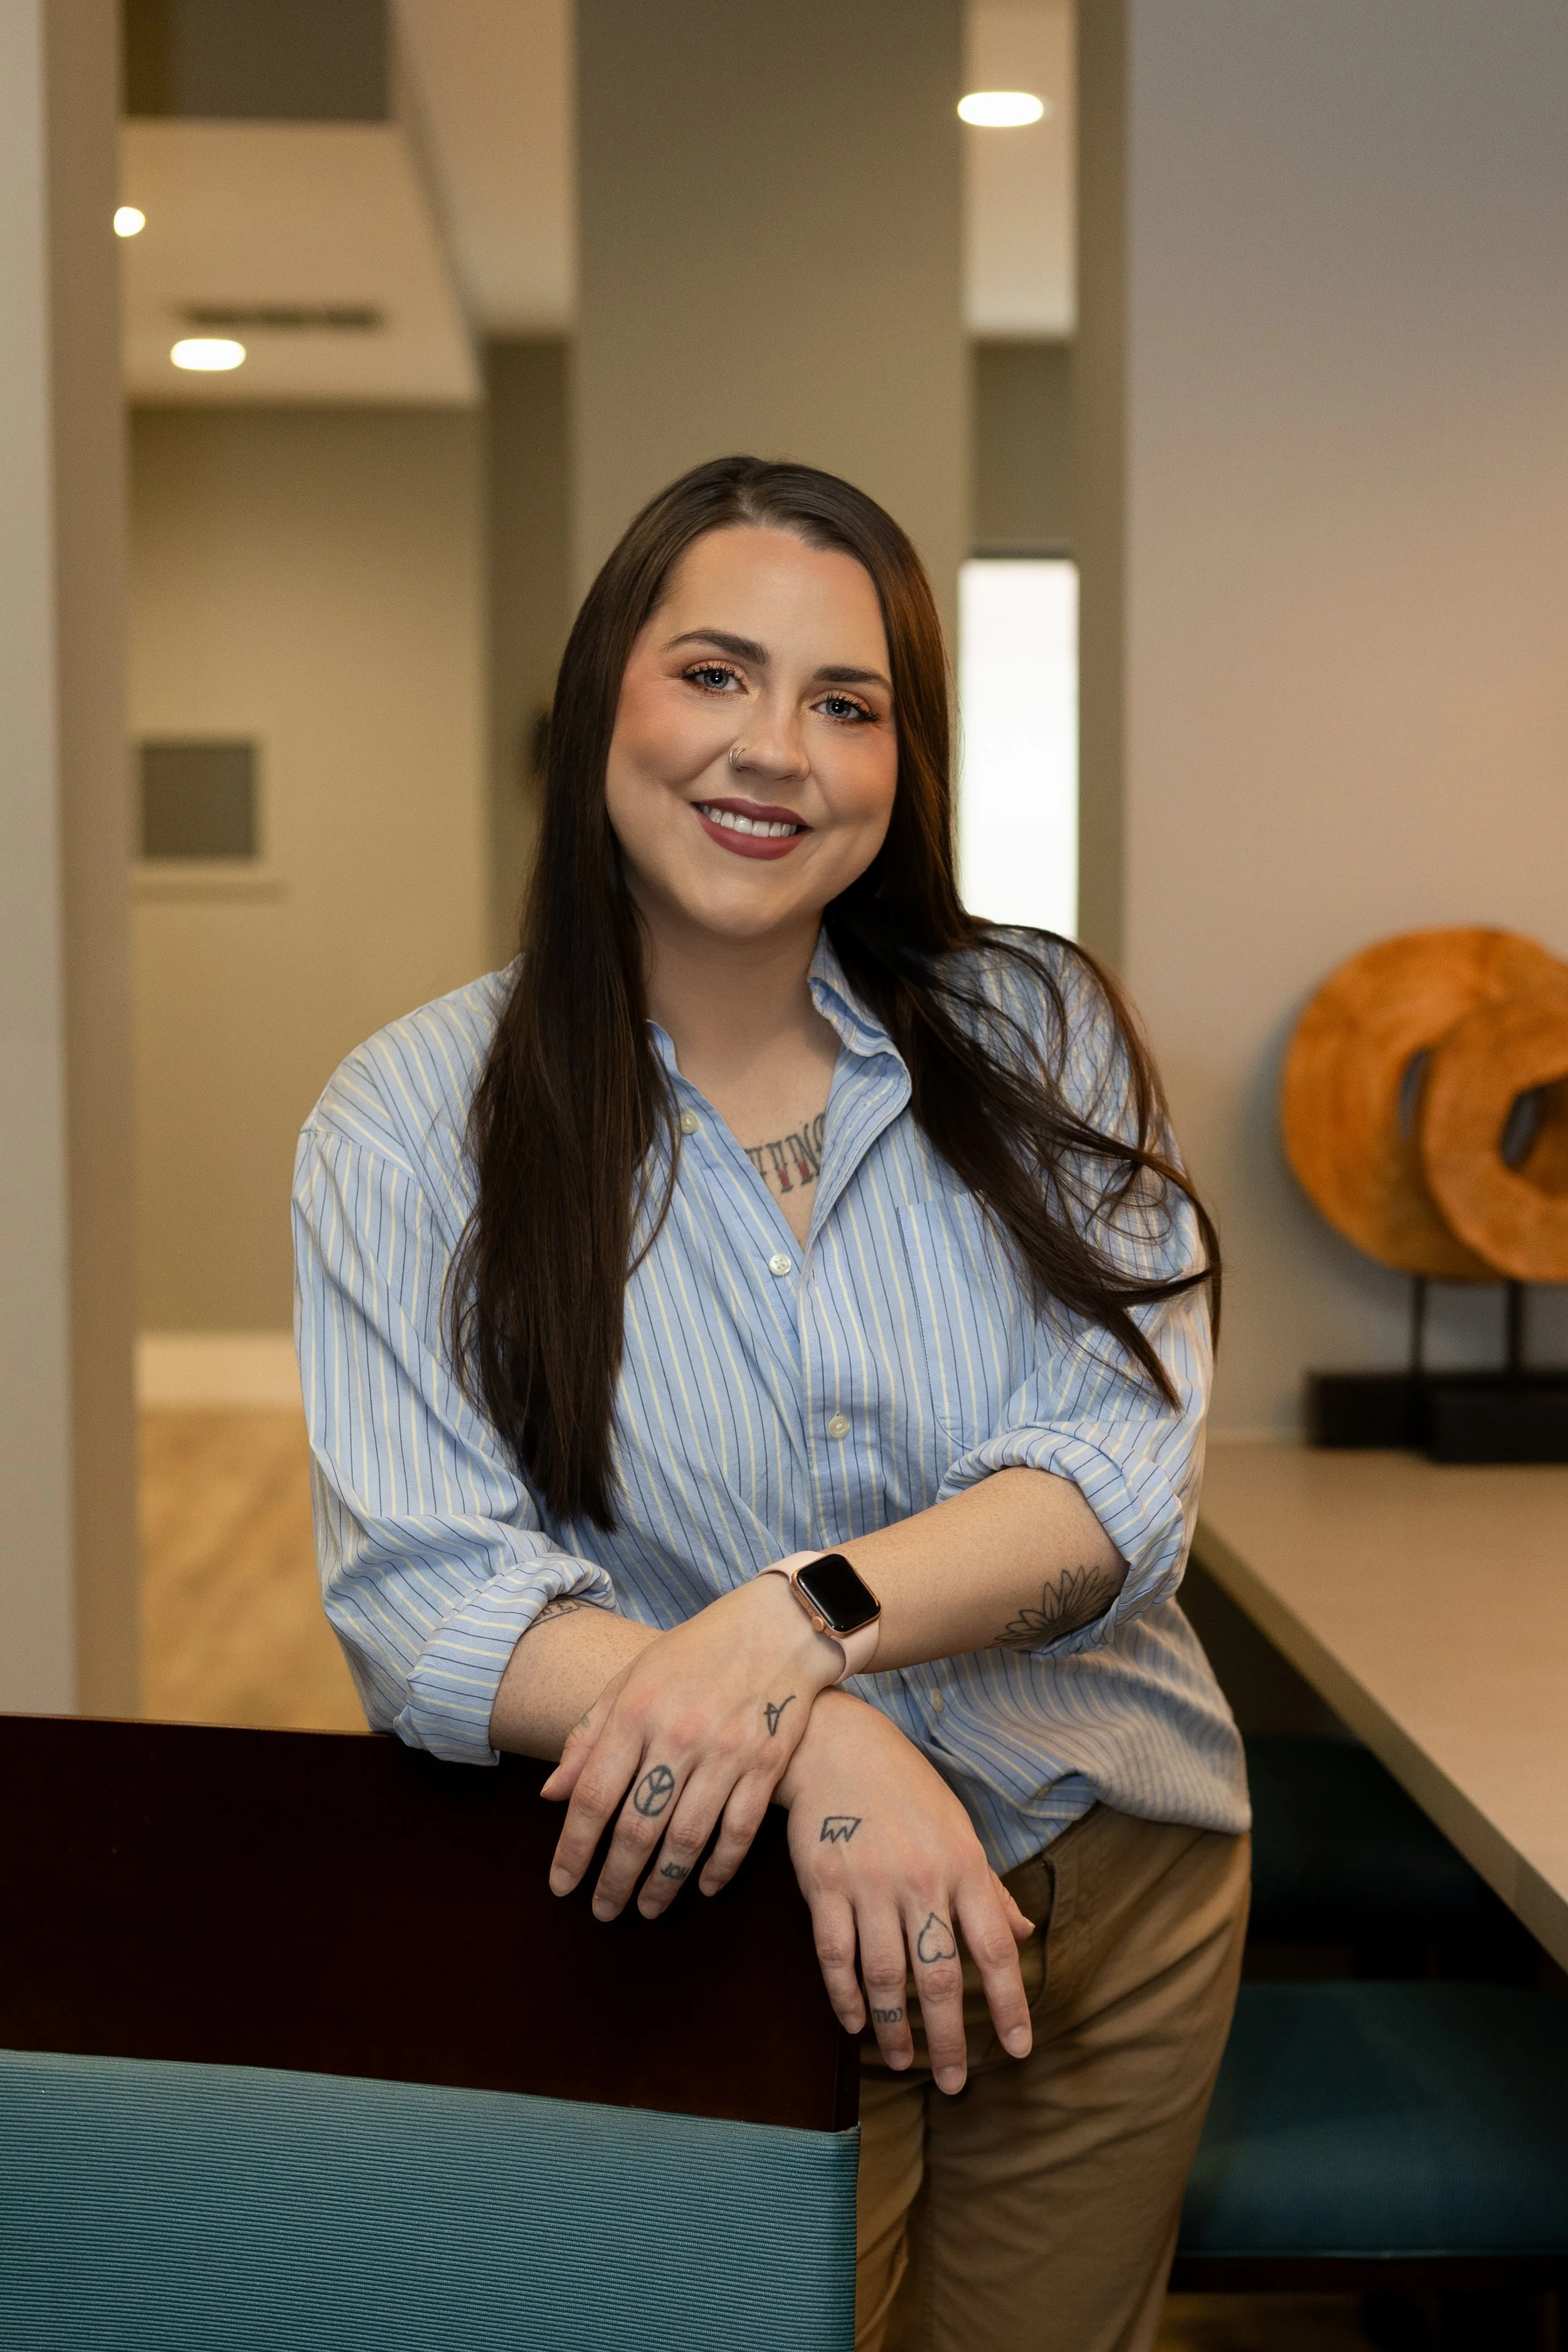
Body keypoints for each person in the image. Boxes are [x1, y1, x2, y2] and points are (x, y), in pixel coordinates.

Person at [293, 455, 1249, 2352]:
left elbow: (1119, 1479)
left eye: (846, 703)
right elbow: (427, 1602)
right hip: (714, 1924)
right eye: (716, 674)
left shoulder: (1038, 1029)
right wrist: (815, 1739)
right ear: (604, 698)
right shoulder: (408, 1125)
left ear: (904, 761)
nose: (776, 752)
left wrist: (793, 1626)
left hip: (1114, 1885)